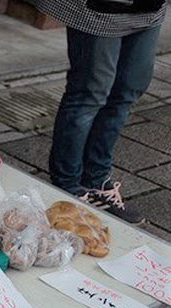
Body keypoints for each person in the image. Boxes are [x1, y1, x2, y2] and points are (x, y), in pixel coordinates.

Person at [32, 0, 167, 223]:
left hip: (149, 10)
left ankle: (96, 180)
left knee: (127, 92)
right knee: (89, 95)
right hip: (100, 10)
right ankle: (68, 188)